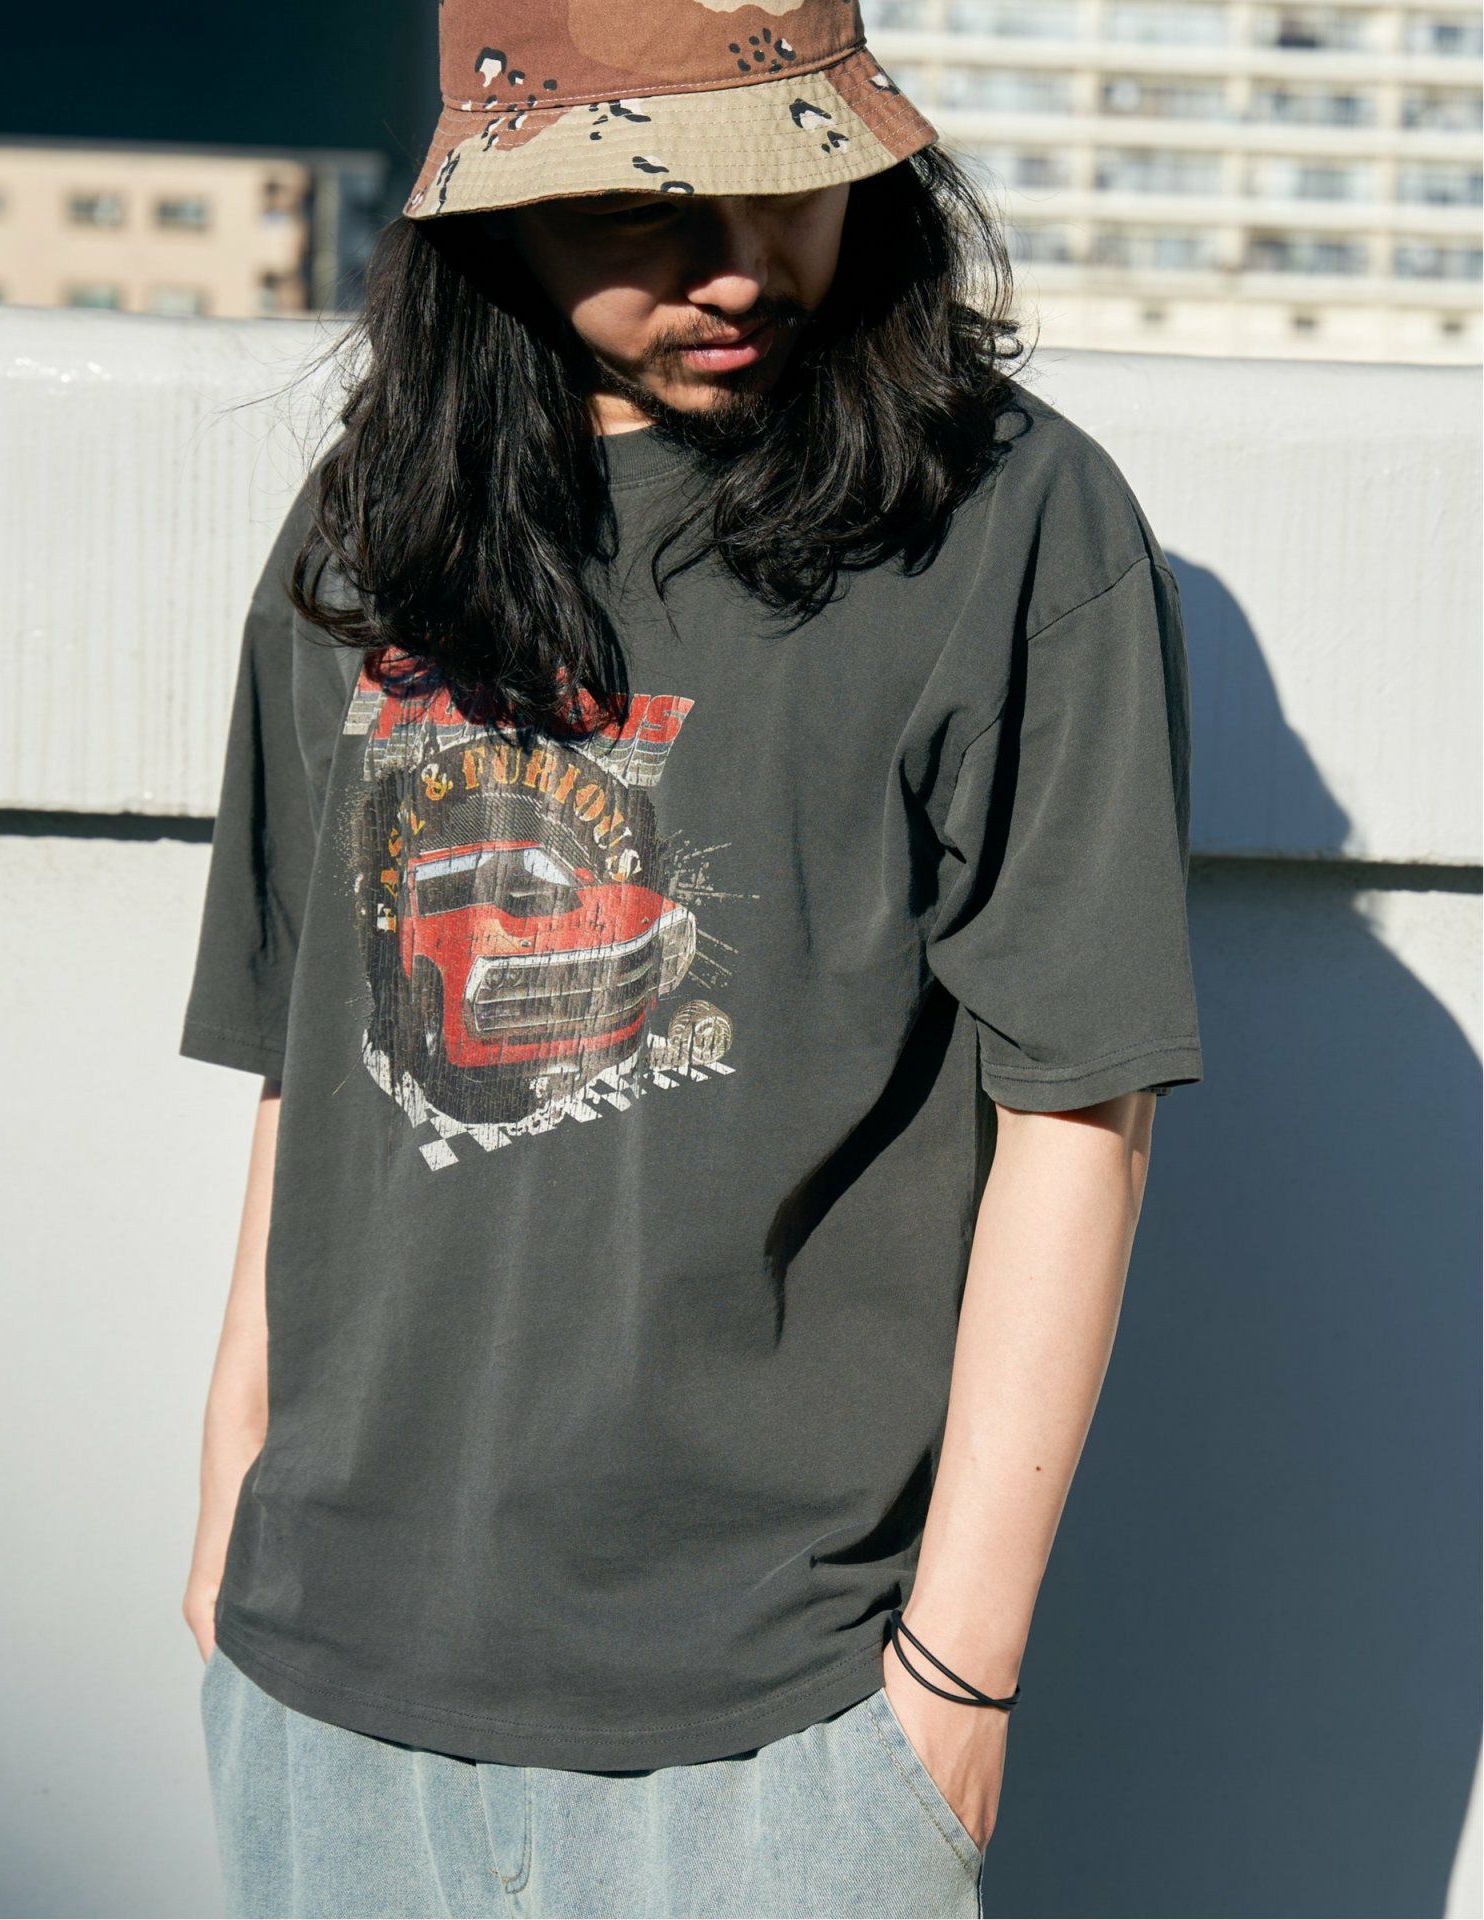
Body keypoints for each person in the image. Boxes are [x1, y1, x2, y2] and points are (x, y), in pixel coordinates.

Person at [178, 3, 1204, 1915]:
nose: (741, 267)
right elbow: (308, 1063)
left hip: (774, 1722)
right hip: (327, 1671)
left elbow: (1082, 1114)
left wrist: (956, 1684)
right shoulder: (376, 523)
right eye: (644, 207)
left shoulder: (1006, 524)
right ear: (494, 218)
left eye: (793, 183)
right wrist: (231, 1496)